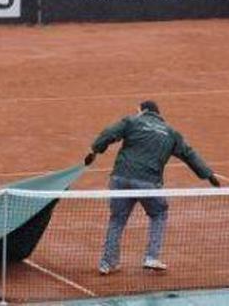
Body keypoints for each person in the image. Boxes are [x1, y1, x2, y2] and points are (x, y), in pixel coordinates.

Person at [84, 101, 221, 275]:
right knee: (159, 214)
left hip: (120, 179)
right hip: (148, 183)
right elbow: (189, 154)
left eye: (138, 110)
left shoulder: (132, 121)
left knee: (117, 219)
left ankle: (107, 263)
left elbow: (108, 134)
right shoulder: (171, 133)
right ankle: (151, 257)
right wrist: (209, 175)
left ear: (144, 111)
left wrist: (95, 151)